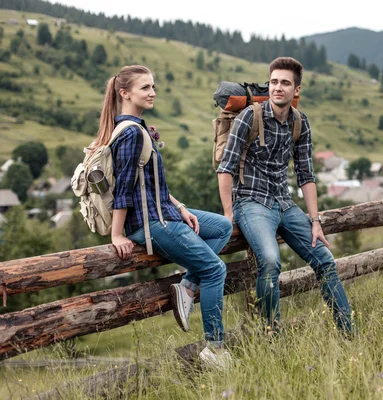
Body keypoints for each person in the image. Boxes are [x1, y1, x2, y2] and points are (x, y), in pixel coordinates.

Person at [94, 65, 233, 368]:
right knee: (215, 271)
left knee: (222, 226)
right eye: (145, 88)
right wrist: (117, 234)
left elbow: (149, 181)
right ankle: (215, 348)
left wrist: (181, 206)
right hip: (150, 223)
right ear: (124, 93)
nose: (152, 92)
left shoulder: (137, 127)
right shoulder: (130, 133)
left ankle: (186, 288)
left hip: (164, 211)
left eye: (153, 86)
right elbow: (124, 190)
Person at [216, 57, 353, 336]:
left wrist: (315, 220)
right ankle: (272, 337)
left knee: (325, 260)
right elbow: (225, 167)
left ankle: (349, 332)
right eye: (274, 82)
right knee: (269, 260)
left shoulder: (300, 122)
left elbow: (306, 174)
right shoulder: (249, 117)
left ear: (296, 90)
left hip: (284, 203)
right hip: (251, 202)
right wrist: (229, 214)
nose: (278, 88)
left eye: (285, 83)